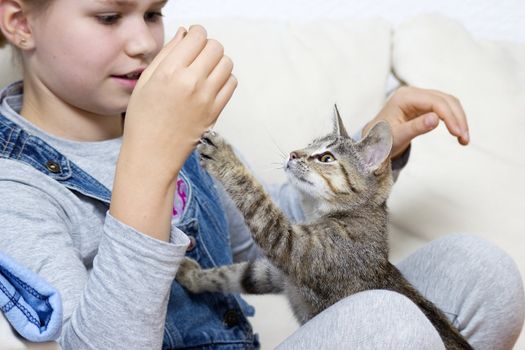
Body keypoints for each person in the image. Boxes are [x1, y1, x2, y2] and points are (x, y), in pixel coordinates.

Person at [0, 0, 523, 349]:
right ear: (20, 23)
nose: (144, 42)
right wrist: (147, 160)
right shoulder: (15, 187)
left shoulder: (167, 122)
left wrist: (363, 166)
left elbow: (267, 245)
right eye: (110, 15)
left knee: (483, 273)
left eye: (153, 11)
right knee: (389, 323)